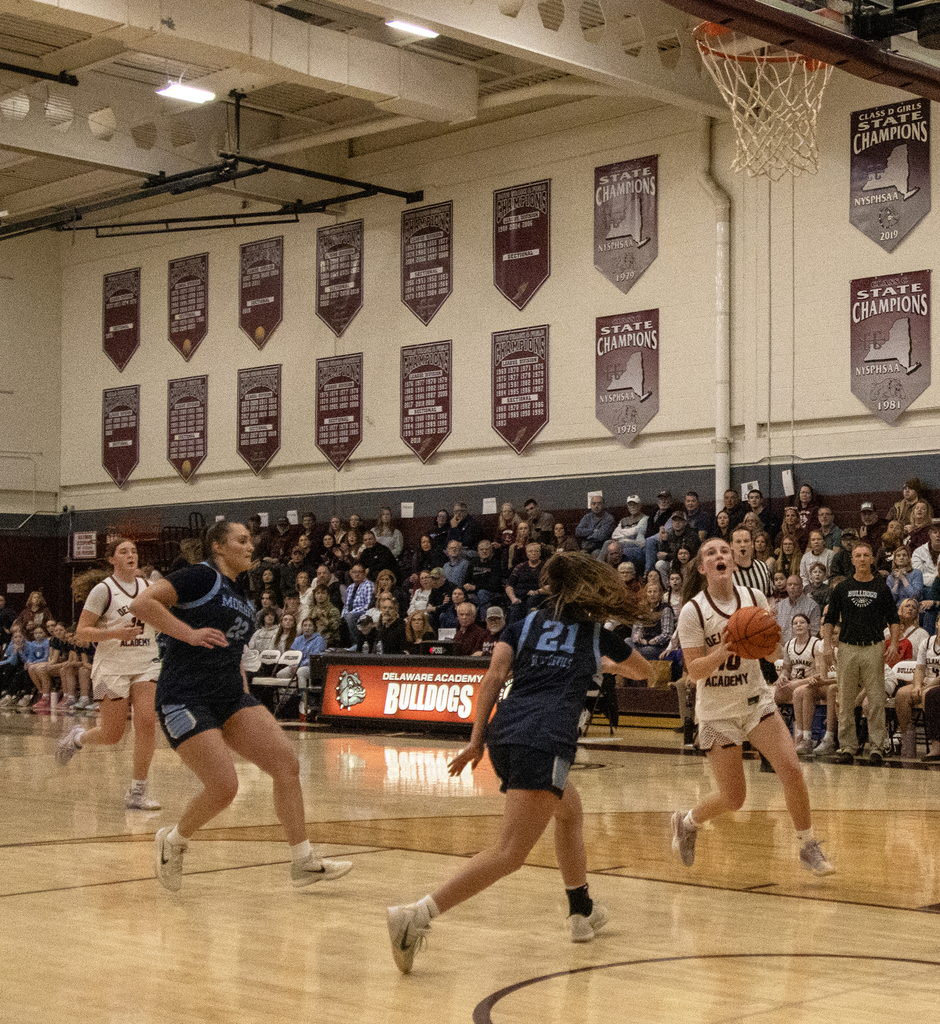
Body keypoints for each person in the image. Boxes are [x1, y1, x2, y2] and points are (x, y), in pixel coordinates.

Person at [386, 552, 653, 973]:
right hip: (545, 740)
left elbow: (492, 678)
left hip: (505, 735)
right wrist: (606, 663)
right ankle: (415, 916)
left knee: (569, 813)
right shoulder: (595, 634)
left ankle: (580, 910)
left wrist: (476, 742)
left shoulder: (523, 623)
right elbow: (645, 673)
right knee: (509, 853)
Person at [123, 520, 351, 891]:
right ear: (218, 546)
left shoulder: (239, 594)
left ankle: (303, 860)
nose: (250, 547)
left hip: (229, 695)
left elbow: (231, 650)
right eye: (241, 541)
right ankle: (174, 840)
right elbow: (141, 603)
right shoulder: (199, 576)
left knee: (286, 765)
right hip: (184, 696)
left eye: (250, 541)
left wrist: (242, 690)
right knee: (224, 786)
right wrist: (189, 633)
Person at [671, 538, 834, 876]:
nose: (720, 556)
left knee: (790, 768)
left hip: (755, 700)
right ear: (702, 568)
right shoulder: (693, 611)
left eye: (724, 551)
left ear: (732, 562)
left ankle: (807, 844)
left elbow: (773, 654)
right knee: (734, 798)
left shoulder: (754, 599)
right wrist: (725, 650)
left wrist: (766, 639)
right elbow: (693, 671)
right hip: (717, 710)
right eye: (711, 553)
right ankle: (687, 822)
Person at [55, 539, 162, 811]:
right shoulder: (103, 591)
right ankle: (78, 738)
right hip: (112, 667)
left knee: (147, 722)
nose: (131, 555)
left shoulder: (149, 589)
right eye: (123, 552)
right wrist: (114, 633)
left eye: (134, 551)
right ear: (112, 559)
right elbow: (81, 632)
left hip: (145, 663)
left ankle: (138, 791)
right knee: (113, 734)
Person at [822, 540, 900, 766]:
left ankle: (877, 747)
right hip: (847, 646)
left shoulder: (881, 587)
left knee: (876, 699)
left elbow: (893, 619)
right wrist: (827, 645)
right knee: (845, 700)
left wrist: (893, 643)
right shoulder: (843, 588)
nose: (863, 559)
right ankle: (847, 746)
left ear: (872, 559)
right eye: (859, 555)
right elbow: (829, 619)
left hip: (874, 646)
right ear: (853, 559)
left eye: (867, 555)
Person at [780, 613, 826, 754]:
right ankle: (780, 738)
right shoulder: (788, 644)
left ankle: (804, 738)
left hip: (812, 683)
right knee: (774, 695)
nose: (798, 625)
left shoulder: (816, 644)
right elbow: (787, 669)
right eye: (795, 623)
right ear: (792, 627)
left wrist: (799, 682)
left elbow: (820, 674)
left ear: (809, 626)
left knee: (799, 691)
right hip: (794, 683)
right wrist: (782, 676)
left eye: (802, 622)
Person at [775, 575, 821, 645]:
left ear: (801, 587)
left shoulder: (812, 606)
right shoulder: (779, 606)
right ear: (786, 587)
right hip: (783, 647)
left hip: (803, 648)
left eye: (796, 584)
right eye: (789, 585)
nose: (792, 587)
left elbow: (814, 631)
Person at [731, 526, 772, 595]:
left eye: (746, 541)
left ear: (752, 544)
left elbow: (770, 595)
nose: (743, 545)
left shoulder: (762, 566)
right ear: (731, 545)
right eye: (738, 541)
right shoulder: (726, 571)